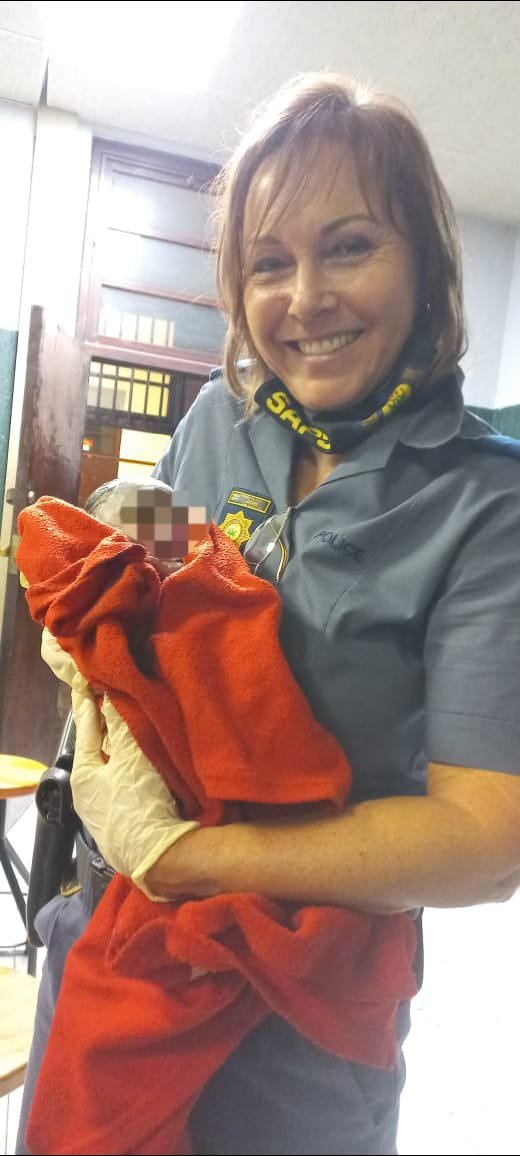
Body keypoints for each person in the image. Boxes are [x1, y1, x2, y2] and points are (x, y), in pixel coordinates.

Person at [17, 71, 520, 1156]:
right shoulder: (219, 419)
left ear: (427, 267)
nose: (305, 297)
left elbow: (486, 842)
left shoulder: (488, 506)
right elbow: (153, 584)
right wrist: (93, 591)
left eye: (350, 247)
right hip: (116, 940)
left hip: (303, 1006)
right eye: (268, 263)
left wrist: (186, 858)